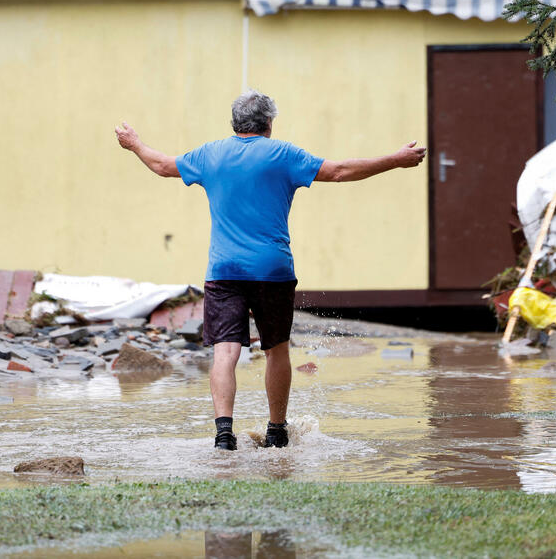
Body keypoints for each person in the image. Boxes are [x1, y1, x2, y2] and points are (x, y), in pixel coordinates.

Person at [115, 90, 426, 450]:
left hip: (224, 270)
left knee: (225, 352)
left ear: (234, 122)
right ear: (269, 123)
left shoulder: (210, 155)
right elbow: (340, 172)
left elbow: (163, 166)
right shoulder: (284, 154)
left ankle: (223, 434)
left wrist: (136, 144)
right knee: (276, 349)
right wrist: (396, 160)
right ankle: (277, 430)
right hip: (273, 269)